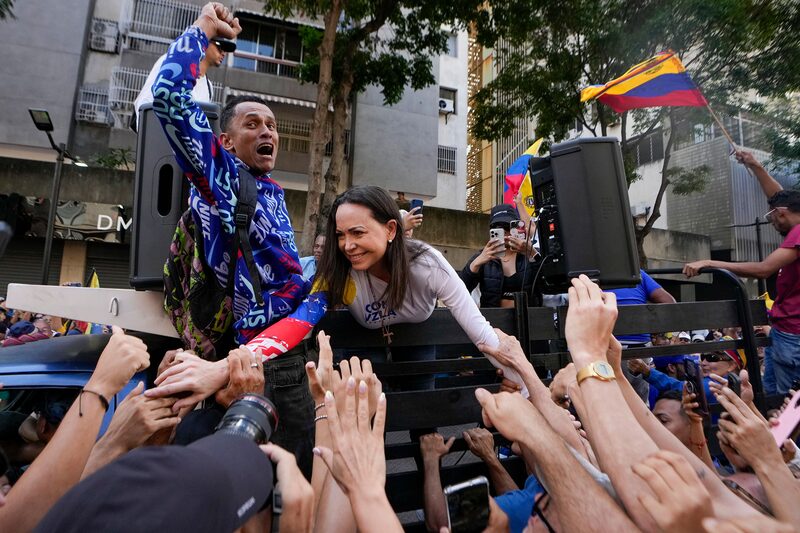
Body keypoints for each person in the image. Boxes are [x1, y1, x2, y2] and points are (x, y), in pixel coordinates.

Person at [146, 3, 326, 476]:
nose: (268, 131)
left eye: (272, 125)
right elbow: (168, 97)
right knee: (267, 485)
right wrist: (203, 35)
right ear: (224, 142)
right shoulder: (223, 178)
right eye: (253, 123)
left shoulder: (268, 191)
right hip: (258, 366)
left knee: (295, 484)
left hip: (289, 355)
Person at [306, 185, 525, 391]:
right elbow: (303, 316)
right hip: (363, 340)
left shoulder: (428, 264)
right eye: (340, 235)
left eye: (358, 232)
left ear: (391, 229)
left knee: (422, 402)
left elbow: (480, 330)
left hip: (420, 335)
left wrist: (525, 388)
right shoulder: (338, 270)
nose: (347, 245)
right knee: (366, 396)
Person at [685, 150, 800, 394]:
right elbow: (780, 198)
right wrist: (755, 165)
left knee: (789, 405)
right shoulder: (791, 215)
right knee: (772, 399)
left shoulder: (798, 233)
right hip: (785, 333)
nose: (772, 223)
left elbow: (764, 269)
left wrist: (711, 262)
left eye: (772, 217)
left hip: (793, 335)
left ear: (782, 213)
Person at [132, 35, 235, 129]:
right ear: (205, 42)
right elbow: (146, 101)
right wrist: (149, 136)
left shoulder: (209, 87)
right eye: (220, 47)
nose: (224, 53)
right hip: (158, 136)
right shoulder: (172, 62)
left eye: (226, 50)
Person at [460, 204, 539, 308]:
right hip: (492, 317)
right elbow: (459, 292)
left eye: (507, 226)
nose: (504, 232)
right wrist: (475, 264)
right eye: (497, 228)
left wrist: (533, 254)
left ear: (515, 228)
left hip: (529, 316)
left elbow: (549, 286)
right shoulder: (484, 256)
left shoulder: (531, 254)